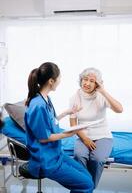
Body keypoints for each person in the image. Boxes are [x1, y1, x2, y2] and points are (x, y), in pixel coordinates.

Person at [24, 62, 94, 193]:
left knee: (88, 179)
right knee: (86, 185)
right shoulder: (38, 105)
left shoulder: (45, 99)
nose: (60, 80)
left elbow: (50, 122)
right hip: (46, 161)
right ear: (51, 81)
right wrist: (68, 134)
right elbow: (44, 138)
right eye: (59, 78)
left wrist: (66, 112)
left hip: (56, 154)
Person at [69, 67, 123, 188]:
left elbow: (119, 109)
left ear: (97, 83)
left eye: (92, 81)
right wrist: (85, 139)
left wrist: (103, 91)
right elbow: (73, 124)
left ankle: (89, 187)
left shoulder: (101, 96)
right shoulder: (74, 98)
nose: (87, 83)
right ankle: (83, 185)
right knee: (79, 155)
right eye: (85, 79)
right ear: (81, 80)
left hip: (103, 135)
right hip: (83, 136)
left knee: (97, 158)